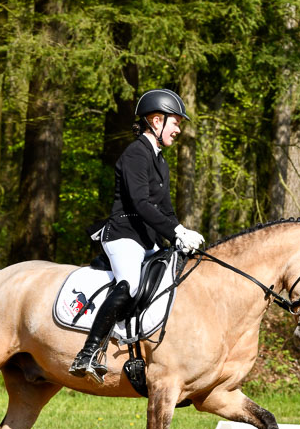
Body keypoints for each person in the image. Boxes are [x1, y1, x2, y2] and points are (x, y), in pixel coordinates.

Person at [69, 88, 204, 382]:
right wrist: (176, 230)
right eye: (176, 122)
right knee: (129, 284)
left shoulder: (161, 160)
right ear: (156, 121)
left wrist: (180, 236)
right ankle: (88, 352)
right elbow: (141, 204)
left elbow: (165, 209)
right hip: (123, 235)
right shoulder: (135, 154)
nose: (179, 129)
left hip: (148, 240)